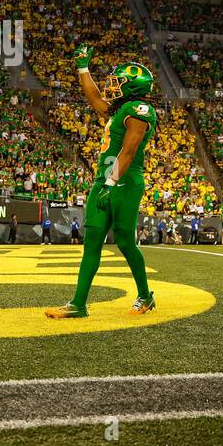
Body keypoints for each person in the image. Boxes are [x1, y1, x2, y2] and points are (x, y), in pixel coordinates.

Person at [46, 47, 158, 319]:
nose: (112, 87)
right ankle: (78, 304)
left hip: (124, 180)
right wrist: (83, 68)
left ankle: (145, 295)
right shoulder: (120, 110)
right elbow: (95, 98)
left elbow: (128, 152)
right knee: (92, 239)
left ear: (133, 86)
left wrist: (111, 182)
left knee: (124, 241)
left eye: (118, 83)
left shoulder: (139, 110)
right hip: (104, 179)